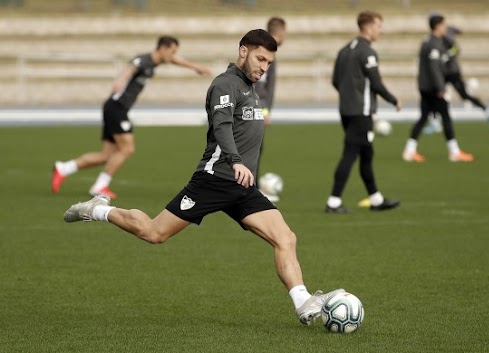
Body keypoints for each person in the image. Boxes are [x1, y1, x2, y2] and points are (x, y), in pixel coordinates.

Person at [63, 29, 344, 325]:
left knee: (286, 238)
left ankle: (303, 303)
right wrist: (235, 160)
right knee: (153, 233)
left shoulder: (250, 87)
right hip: (214, 180)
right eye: (261, 58)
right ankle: (99, 209)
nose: (264, 67)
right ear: (243, 51)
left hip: (242, 187)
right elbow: (221, 126)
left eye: (270, 63)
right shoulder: (225, 85)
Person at [51, 35, 212, 199]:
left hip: (114, 108)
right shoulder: (144, 60)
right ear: (162, 48)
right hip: (117, 108)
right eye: (172, 52)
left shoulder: (157, 61)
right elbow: (131, 67)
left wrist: (195, 67)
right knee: (127, 149)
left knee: (106, 155)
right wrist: (120, 81)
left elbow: (175, 60)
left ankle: (64, 168)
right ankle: (100, 186)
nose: (173, 56)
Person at [325, 10, 401, 214]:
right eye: (378, 26)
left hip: (346, 110)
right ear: (367, 27)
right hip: (362, 112)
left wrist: (349, 95)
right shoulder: (367, 52)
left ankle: (375, 198)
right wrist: (394, 100)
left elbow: (335, 81)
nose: (380, 31)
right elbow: (376, 83)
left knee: (366, 153)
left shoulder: (344, 50)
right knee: (350, 153)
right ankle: (333, 202)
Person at [402, 14, 474, 163]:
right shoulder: (434, 43)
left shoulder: (427, 40)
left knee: (423, 118)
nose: (445, 28)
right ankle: (454, 152)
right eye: (443, 25)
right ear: (437, 26)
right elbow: (434, 68)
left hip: (425, 86)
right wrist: (440, 87)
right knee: (445, 117)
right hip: (432, 88)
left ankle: (409, 150)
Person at [423, 24, 489, 134]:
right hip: (443, 73)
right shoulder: (433, 40)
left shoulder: (446, 37)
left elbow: (456, 49)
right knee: (434, 94)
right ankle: (435, 123)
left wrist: (446, 56)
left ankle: (488, 111)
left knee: (464, 95)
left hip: (452, 72)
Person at [255, 17, 287, 202]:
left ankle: (252, 187)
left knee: (255, 147)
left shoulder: (268, 53)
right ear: (279, 33)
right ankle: (251, 189)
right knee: (253, 147)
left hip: (258, 108)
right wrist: (263, 111)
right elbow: (259, 86)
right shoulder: (263, 54)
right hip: (254, 109)